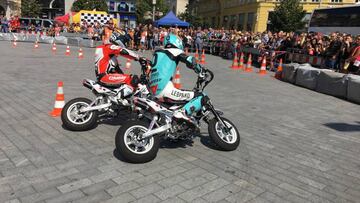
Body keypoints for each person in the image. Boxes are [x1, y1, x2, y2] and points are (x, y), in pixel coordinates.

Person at [149, 33, 207, 124]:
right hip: (165, 89)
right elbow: (190, 60)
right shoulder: (174, 50)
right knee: (201, 96)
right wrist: (201, 70)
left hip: (153, 90)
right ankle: (182, 113)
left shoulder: (158, 52)